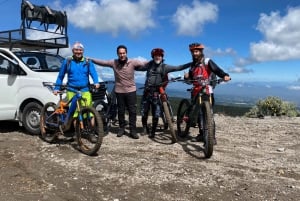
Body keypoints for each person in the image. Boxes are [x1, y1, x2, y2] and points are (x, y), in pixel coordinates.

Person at [91, 45, 148, 139]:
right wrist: (91, 59)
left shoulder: (133, 62)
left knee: (132, 111)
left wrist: (155, 60)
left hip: (131, 90)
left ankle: (133, 130)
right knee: (121, 111)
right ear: (117, 54)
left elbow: (144, 63)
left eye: (123, 53)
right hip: (119, 91)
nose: (122, 55)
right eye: (120, 53)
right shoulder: (114, 62)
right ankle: (121, 128)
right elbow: (103, 62)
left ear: (126, 53)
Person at [184, 43, 231, 144]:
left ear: (201, 52)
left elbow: (217, 70)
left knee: (208, 114)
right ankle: (202, 134)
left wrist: (225, 75)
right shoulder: (192, 65)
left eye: (197, 51)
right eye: (193, 52)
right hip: (196, 90)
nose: (195, 53)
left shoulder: (207, 61)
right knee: (198, 113)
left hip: (207, 90)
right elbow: (191, 78)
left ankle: (211, 137)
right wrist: (186, 76)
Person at [140, 48, 190, 138]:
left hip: (157, 92)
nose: (158, 57)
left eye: (159, 56)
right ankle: (144, 128)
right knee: (144, 112)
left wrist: (191, 63)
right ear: (153, 56)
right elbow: (139, 68)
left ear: (162, 57)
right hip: (147, 91)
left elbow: (178, 67)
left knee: (156, 113)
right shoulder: (149, 65)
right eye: (156, 55)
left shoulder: (165, 67)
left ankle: (153, 131)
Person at [53, 42, 100, 138]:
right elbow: (60, 76)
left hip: (85, 90)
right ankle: (78, 134)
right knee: (75, 114)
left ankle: (91, 133)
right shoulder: (68, 61)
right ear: (73, 51)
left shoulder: (87, 62)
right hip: (72, 90)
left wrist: (96, 82)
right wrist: (57, 88)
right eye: (76, 50)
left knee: (90, 113)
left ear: (83, 51)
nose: (78, 52)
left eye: (80, 50)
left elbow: (93, 73)